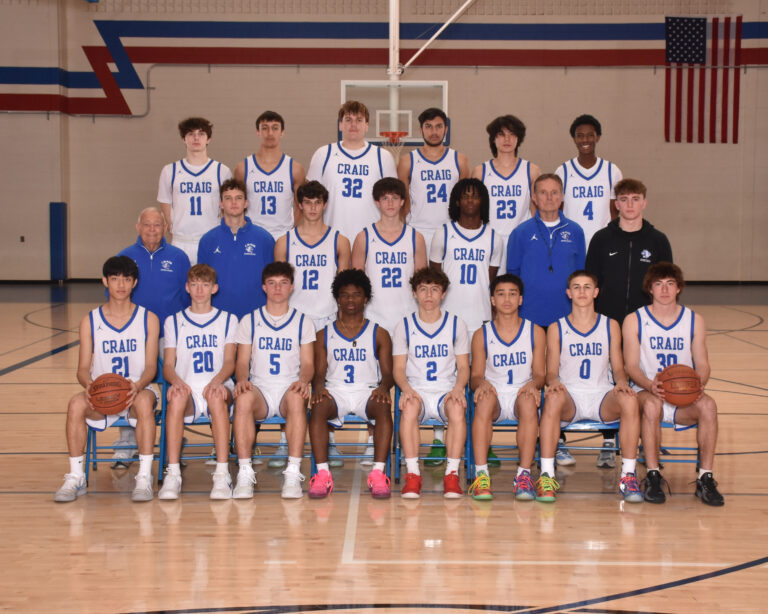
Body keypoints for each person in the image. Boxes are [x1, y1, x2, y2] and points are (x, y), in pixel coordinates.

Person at [54, 256, 160, 503]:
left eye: (126, 279)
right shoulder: (90, 320)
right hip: (104, 393)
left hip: (138, 389)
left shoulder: (148, 319)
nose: (120, 285)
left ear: (134, 283)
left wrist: (138, 385)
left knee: (144, 402)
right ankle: (76, 476)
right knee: (76, 404)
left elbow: (151, 366)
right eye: (114, 279)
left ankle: (143, 477)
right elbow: (82, 369)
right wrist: (89, 386)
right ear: (105, 281)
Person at [585, 178, 673, 469]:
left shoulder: (658, 240)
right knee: (611, 380)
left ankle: (649, 440)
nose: (630, 205)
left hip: (645, 324)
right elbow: (591, 282)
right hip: (608, 323)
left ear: (644, 202)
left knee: (644, 377)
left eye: (636, 199)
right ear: (616, 204)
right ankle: (610, 441)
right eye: (624, 200)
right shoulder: (601, 239)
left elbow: (666, 283)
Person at [622, 262, 724, 506]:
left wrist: (699, 385)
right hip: (648, 393)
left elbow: (703, 363)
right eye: (659, 284)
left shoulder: (694, 320)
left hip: (684, 397)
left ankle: (705, 477)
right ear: (650, 289)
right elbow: (631, 366)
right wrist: (649, 385)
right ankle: (654, 475)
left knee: (709, 407)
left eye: (670, 284)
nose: (664, 290)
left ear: (679, 288)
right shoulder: (634, 320)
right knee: (653, 406)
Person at [538, 270, 642, 503]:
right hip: (570, 396)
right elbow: (551, 371)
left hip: (601, 395)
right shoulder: (557, 327)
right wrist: (553, 382)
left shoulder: (610, 325)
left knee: (630, 399)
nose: (582, 292)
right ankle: (546, 475)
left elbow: (617, 366)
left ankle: (628, 475)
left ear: (595, 292)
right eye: (576, 287)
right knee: (552, 398)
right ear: (568, 293)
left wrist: (623, 382)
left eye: (587, 287)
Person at [274, 180, 350, 468]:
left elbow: (344, 287)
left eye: (318, 202)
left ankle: (328, 439)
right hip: (294, 319)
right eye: (307, 202)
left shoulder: (339, 240)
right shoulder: (285, 241)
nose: (313, 207)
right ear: (300, 205)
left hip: (328, 317)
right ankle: (285, 441)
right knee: (289, 377)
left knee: (324, 380)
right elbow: (279, 286)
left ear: (325, 205)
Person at [231, 262, 315, 499]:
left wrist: (304, 381)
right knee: (243, 399)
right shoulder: (250, 320)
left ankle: (292, 472)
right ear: (264, 287)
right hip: (260, 388)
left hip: (289, 385)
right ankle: (245, 473)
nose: (277, 288)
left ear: (292, 287)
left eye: (283, 283)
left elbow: (308, 363)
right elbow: (241, 361)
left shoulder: (303, 321)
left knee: (298, 398)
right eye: (272, 283)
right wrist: (242, 380)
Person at [308, 269, 394, 499]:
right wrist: (318, 388)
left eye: (356, 295)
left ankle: (378, 473)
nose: (350, 300)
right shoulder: (323, 334)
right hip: (336, 391)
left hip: (367, 391)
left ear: (365, 299)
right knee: (317, 407)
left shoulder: (379, 333)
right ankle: (322, 474)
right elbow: (319, 373)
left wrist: (384, 387)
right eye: (345, 295)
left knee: (384, 406)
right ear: (337, 299)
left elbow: (388, 373)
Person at [116, 206, 190, 464]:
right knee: (128, 385)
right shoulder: (125, 257)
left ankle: (173, 443)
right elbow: (116, 297)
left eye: (157, 225)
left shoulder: (179, 257)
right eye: (146, 224)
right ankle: (126, 443)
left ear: (165, 228)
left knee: (173, 387)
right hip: (135, 336)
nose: (151, 230)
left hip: (168, 336)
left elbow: (186, 297)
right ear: (138, 227)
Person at [158, 264, 237, 500]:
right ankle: (172, 474)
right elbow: (168, 365)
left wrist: (217, 381)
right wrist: (177, 382)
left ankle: (222, 474)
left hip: (219, 384)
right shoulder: (173, 321)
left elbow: (230, 361)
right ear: (187, 287)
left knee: (215, 395)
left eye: (205, 285)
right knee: (177, 395)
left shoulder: (227, 319)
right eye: (194, 284)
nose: (199, 290)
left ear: (215, 288)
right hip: (188, 387)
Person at [393, 267, 470, 498]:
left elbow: (464, 367)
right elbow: (398, 368)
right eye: (423, 289)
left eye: (434, 289)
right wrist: (406, 389)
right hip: (417, 390)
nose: (429, 295)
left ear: (443, 294)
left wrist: (458, 388)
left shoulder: (457, 324)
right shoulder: (404, 325)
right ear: (414, 293)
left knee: (457, 408)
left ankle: (452, 475)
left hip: (446, 389)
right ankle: (413, 475)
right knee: (408, 408)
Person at [468, 274, 545, 501]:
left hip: (522, 391)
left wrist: (534, 384)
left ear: (521, 299)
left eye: (512, 294)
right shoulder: (482, 334)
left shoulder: (535, 331)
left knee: (530, 401)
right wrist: (481, 384)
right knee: (483, 399)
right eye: (501, 294)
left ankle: (523, 475)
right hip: (495, 392)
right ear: (492, 300)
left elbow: (540, 374)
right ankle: (481, 475)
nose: (507, 299)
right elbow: (475, 376)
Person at [306, 101, 397, 242]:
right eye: (348, 120)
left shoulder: (382, 157)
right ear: (340, 125)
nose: (353, 125)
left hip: (372, 239)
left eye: (359, 120)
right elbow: (309, 200)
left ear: (367, 125)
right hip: (331, 238)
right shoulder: (324, 154)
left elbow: (393, 202)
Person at [506, 174, 585, 328]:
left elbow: (580, 275)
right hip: (529, 315)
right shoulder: (520, 232)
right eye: (543, 192)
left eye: (554, 192)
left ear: (562, 196)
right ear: (534, 197)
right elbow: (512, 276)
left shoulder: (575, 231)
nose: (549, 197)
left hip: (567, 315)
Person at [352, 177, 428, 334]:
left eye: (395, 198)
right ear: (377, 202)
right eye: (385, 198)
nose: (390, 203)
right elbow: (356, 285)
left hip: (408, 314)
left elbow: (422, 283)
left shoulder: (416, 237)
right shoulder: (364, 237)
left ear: (402, 201)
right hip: (373, 315)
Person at [429, 178, 502, 335]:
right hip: (448, 314)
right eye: (465, 196)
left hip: (481, 314)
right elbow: (435, 279)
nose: (470, 200)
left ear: (482, 201)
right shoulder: (443, 233)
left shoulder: (494, 238)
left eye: (475, 196)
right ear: (457, 201)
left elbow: (490, 281)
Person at [157, 117, 233, 264]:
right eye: (191, 134)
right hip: (181, 240)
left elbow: (228, 208)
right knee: (181, 285)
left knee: (211, 284)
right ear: (183, 139)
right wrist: (173, 231)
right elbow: (165, 203)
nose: (196, 138)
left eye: (201, 133)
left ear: (208, 139)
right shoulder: (170, 171)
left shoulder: (221, 171)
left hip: (211, 239)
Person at [472, 115, 542, 274]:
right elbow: (474, 212)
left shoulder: (531, 170)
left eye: (512, 134)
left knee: (519, 288)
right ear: (493, 139)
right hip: (489, 239)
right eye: (501, 134)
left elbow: (535, 211)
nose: (507, 139)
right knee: (490, 290)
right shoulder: (480, 171)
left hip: (521, 238)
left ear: (519, 138)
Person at [197, 178, 275, 319]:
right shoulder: (208, 240)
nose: (234, 203)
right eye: (228, 198)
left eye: (238, 198)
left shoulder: (264, 239)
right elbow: (202, 282)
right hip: (218, 318)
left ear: (246, 203)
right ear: (221, 203)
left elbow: (272, 281)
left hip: (256, 316)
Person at [397, 108, 470, 250]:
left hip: (451, 230)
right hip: (417, 229)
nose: (434, 132)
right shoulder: (407, 161)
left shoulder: (459, 160)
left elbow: (465, 201)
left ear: (446, 129)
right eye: (428, 126)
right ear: (421, 130)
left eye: (439, 126)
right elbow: (402, 200)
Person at [234, 110, 306, 240]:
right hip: (252, 234)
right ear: (258, 132)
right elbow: (236, 206)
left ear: (282, 132)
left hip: (283, 235)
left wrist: (289, 228)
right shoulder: (243, 168)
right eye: (265, 128)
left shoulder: (295, 168)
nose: (270, 133)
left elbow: (301, 206)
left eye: (275, 128)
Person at [555, 114, 623, 247]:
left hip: (603, 242)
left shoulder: (612, 171)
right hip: (571, 241)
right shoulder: (563, 171)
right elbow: (558, 210)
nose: (585, 140)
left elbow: (615, 211)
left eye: (590, 135)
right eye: (580, 136)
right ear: (574, 139)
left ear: (597, 137)